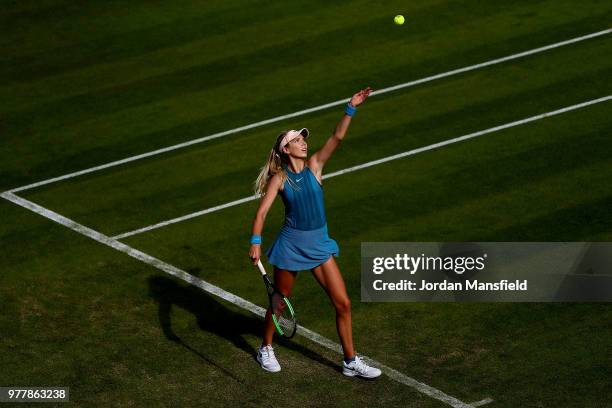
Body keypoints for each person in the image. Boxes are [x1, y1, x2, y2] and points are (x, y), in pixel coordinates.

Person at [248, 87, 381, 379]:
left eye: (303, 139)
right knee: (279, 300)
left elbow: (337, 137)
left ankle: (350, 360)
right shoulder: (279, 178)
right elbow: (261, 213)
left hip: (319, 243)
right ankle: (265, 348)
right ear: (286, 149)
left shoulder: (315, 167)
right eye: (296, 141)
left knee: (343, 303)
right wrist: (256, 241)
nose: (303, 143)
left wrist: (351, 107)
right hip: (292, 245)